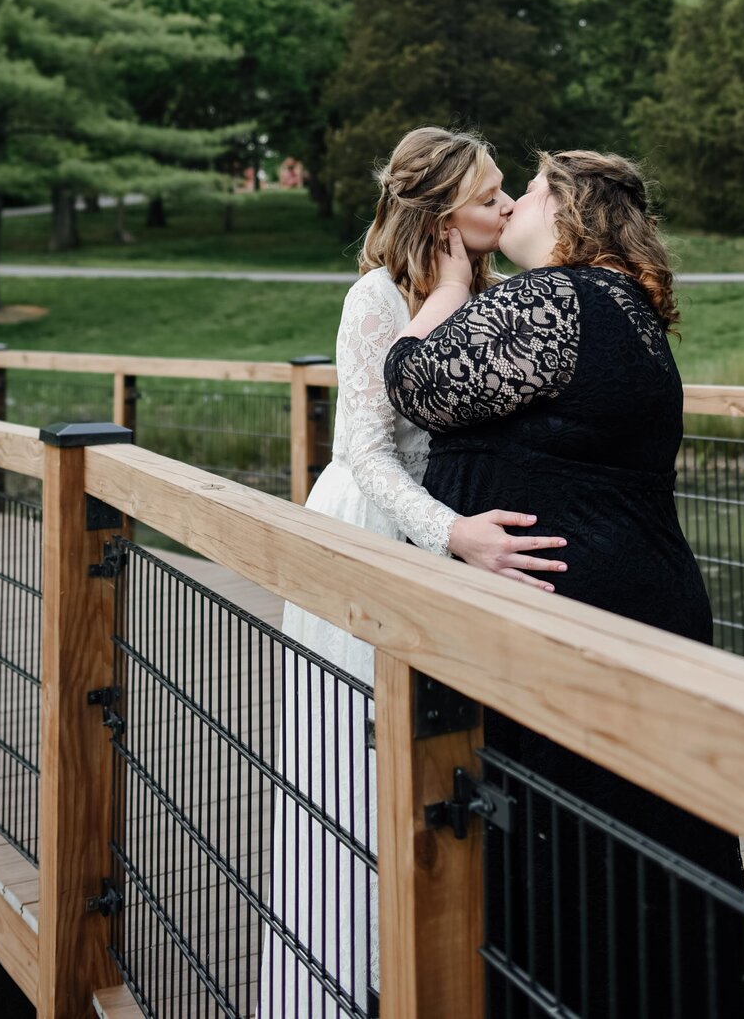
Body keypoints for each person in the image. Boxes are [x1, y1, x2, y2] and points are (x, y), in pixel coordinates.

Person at [384, 149, 744, 1019]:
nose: (511, 199)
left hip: (574, 612)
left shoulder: (557, 297)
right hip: (633, 597)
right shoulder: (624, 308)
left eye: (530, 188)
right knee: (645, 840)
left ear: (570, 210)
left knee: (570, 842)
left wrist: (444, 288)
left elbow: (417, 383)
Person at [256, 127, 568, 1019]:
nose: (507, 207)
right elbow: (364, 450)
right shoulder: (373, 300)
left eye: (509, 192)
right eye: (488, 197)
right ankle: (346, 984)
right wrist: (451, 534)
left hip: (445, 539)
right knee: (355, 762)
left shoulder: (487, 294)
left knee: (442, 765)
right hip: (369, 531)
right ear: (437, 213)